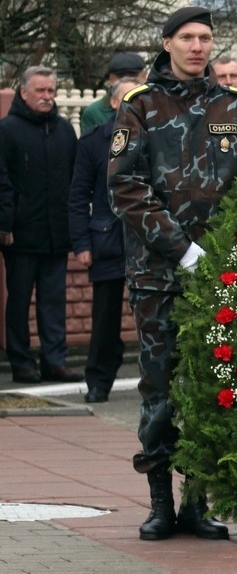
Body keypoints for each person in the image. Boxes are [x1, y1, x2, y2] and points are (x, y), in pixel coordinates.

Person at [109, 5, 237, 541]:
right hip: (158, 273)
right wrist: (181, 248)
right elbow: (126, 187)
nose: (198, 47)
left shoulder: (236, 106)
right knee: (160, 387)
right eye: (188, 38)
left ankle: (199, 501)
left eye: (205, 38)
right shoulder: (141, 106)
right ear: (168, 42)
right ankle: (159, 503)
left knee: (217, 382)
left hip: (226, 274)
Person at [0, 66, 81, 385]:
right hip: (20, 234)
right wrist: (5, 223)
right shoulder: (6, 130)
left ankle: (54, 361)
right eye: (40, 91)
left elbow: (75, 182)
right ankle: (21, 363)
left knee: (53, 301)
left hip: (56, 234)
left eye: (51, 91)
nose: (47, 97)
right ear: (23, 93)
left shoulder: (63, 130)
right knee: (18, 302)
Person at [68, 78, 139, 403]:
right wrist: (81, 244)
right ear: (113, 104)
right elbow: (78, 195)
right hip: (108, 241)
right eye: (126, 99)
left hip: (149, 239)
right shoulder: (95, 142)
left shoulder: (156, 136)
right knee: (105, 318)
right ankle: (98, 381)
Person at [80, 52, 147, 133]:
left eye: (133, 75)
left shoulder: (158, 107)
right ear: (111, 79)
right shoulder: (94, 112)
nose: (127, 80)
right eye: (121, 76)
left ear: (144, 76)